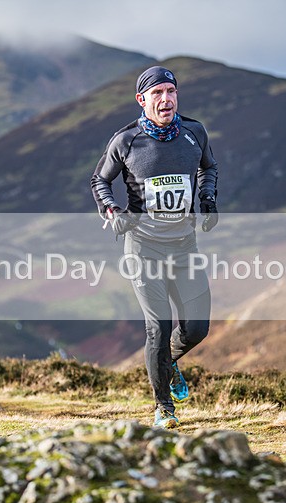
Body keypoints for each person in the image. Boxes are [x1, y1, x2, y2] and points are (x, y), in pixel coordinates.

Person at [90, 66, 219, 429]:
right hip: (144, 247)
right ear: (141, 100)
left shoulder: (194, 132)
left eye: (171, 91)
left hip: (184, 246)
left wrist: (208, 199)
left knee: (197, 328)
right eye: (157, 93)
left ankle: (168, 362)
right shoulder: (126, 140)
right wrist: (112, 209)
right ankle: (164, 408)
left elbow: (208, 167)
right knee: (158, 329)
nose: (166, 99)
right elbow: (99, 180)